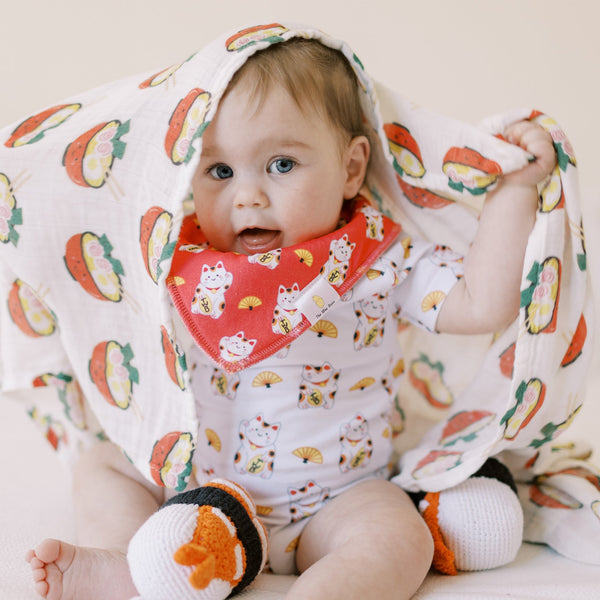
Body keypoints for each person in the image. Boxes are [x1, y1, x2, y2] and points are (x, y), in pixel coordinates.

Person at [23, 35, 557, 600]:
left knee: (397, 536)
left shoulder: (376, 258)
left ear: (351, 168)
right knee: (103, 464)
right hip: (198, 495)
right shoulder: (176, 262)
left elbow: (482, 304)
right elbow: (101, 300)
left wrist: (514, 189)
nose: (247, 195)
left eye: (281, 164)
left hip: (335, 503)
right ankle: (123, 560)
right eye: (219, 170)